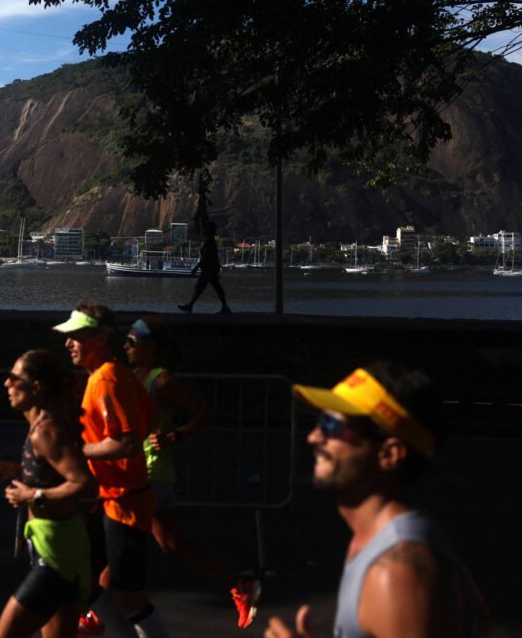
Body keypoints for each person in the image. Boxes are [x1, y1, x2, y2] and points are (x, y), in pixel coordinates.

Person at [265, 361, 490, 638]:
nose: (313, 437)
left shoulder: (398, 574)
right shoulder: (379, 542)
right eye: (319, 422)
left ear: (389, 455)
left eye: (332, 426)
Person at [125, 316, 260, 628]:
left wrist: (175, 436)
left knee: (115, 545)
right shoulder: (131, 376)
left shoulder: (163, 381)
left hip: (150, 473)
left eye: (132, 342)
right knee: (171, 543)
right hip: (153, 472)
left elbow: (204, 413)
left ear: (150, 348)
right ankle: (239, 585)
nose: (125, 346)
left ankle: (92, 612)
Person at [54, 302, 170, 638]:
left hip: (125, 502)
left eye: (76, 336)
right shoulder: (114, 374)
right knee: (81, 579)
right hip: (112, 498)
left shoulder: (106, 380)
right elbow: (151, 419)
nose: (68, 343)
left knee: (128, 595)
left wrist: (77, 450)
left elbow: (128, 443)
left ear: (100, 338)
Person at [0, 349, 95, 638]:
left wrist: (32, 496)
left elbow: (83, 483)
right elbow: (55, 475)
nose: (6, 384)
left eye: (13, 378)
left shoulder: (45, 432)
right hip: (58, 543)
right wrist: (16, 471)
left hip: (57, 549)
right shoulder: (42, 427)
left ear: (37, 388)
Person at [178, 220, 230, 314]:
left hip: (210, 268)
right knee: (199, 287)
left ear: (209, 230)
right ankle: (190, 306)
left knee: (216, 287)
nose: (203, 230)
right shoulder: (209, 240)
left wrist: (196, 267)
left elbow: (206, 256)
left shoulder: (210, 241)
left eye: (205, 228)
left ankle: (225, 307)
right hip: (207, 268)